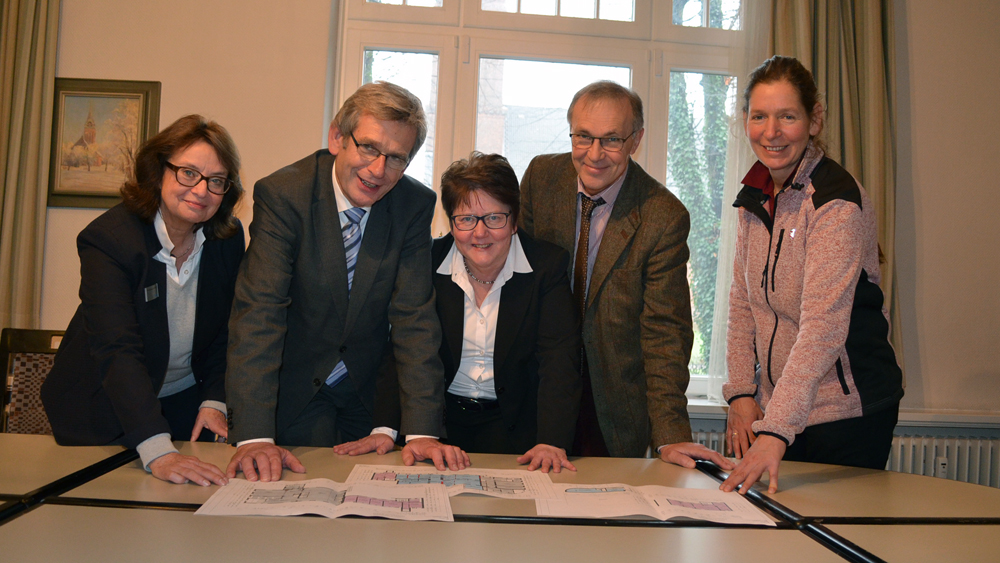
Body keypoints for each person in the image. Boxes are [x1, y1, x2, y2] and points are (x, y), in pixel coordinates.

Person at [225, 82, 468, 482]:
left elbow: (414, 318)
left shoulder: (412, 205)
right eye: (369, 147)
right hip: (294, 388)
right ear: (337, 136)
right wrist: (252, 436)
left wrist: (422, 430)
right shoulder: (285, 195)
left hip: (370, 395)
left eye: (396, 158)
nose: (378, 170)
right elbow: (259, 314)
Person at [519, 80, 732, 470]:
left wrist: (670, 435)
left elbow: (665, 333)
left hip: (612, 406)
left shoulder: (662, 216)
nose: (594, 154)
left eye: (612, 139)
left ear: (636, 140)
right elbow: (519, 283)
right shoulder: (540, 179)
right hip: (537, 391)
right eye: (583, 136)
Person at [721, 56, 904, 495]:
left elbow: (823, 329)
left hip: (846, 414)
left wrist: (774, 429)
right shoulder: (756, 193)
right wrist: (742, 393)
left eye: (788, 116)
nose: (772, 132)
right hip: (782, 410)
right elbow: (742, 301)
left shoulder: (835, 202)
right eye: (760, 117)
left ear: (814, 119)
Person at [337, 152, 582, 473]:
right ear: (451, 222)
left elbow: (559, 361)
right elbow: (403, 351)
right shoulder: (426, 263)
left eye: (494, 218)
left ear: (515, 219)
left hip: (520, 433)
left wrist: (551, 440)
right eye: (466, 219)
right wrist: (385, 428)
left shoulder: (546, 267)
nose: (479, 233)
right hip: (437, 426)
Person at [41, 114, 245, 486]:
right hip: (103, 407)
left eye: (216, 181)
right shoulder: (109, 241)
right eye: (188, 173)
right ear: (158, 172)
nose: (201, 191)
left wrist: (214, 399)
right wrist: (157, 450)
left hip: (182, 403)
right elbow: (118, 349)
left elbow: (226, 328)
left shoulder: (227, 239)